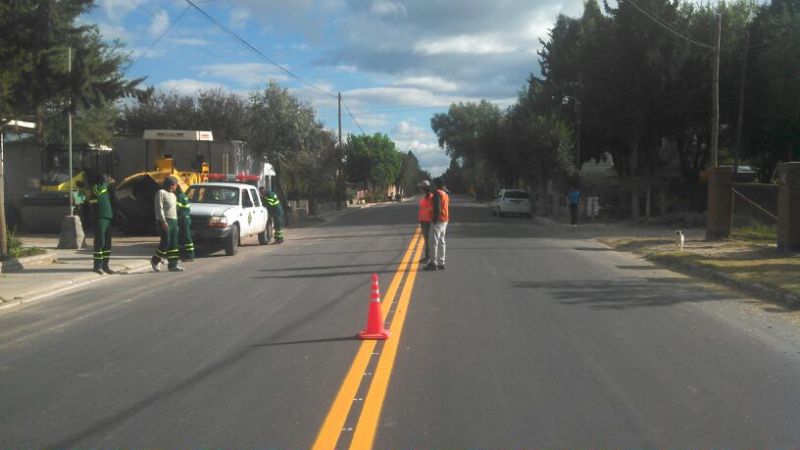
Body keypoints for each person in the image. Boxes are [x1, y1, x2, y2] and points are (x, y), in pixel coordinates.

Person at [151, 176, 183, 272]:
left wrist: (176, 224)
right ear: (172, 185)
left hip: (174, 221)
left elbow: (174, 210)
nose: (176, 187)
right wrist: (163, 221)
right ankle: (155, 260)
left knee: (174, 243)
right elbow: (159, 208)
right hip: (165, 221)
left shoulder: (173, 195)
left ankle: (173, 265)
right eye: (176, 185)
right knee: (166, 243)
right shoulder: (161, 193)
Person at [88, 174, 115, 275]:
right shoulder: (96, 188)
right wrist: (107, 183)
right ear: (102, 180)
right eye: (107, 179)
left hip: (108, 218)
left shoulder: (105, 190)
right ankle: (97, 266)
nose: (109, 180)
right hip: (100, 219)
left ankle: (105, 265)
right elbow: (98, 191)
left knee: (107, 244)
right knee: (100, 243)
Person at [425, 177, 449, 271]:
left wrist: (434, 220)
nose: (432, 186)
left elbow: (437, 208)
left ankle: (433, 263)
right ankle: (441, 263)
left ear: (437, 185)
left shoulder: (437, 194)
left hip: (438, 221)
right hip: (445, 220)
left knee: (433, 242)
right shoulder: (445, 194)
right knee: (442, 241)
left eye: (433, 184)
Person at [175, 185, 195, 262]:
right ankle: (189, 255)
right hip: (186, 218)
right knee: (186, 237)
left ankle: (190, 256)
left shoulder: (179, 197)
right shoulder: (184, 195)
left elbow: (176, 208)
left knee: (186, 237)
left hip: (183, 219)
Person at [417, 180, 433, 264]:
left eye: (421, 187)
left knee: (428, 239)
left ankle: (429, 257)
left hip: (428, 221)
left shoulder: (431, 197)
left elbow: (432, 208)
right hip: (423, 220)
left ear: (424, 188)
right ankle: (427, 257)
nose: (420, 189)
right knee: (426, 239)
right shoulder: (423, 196)